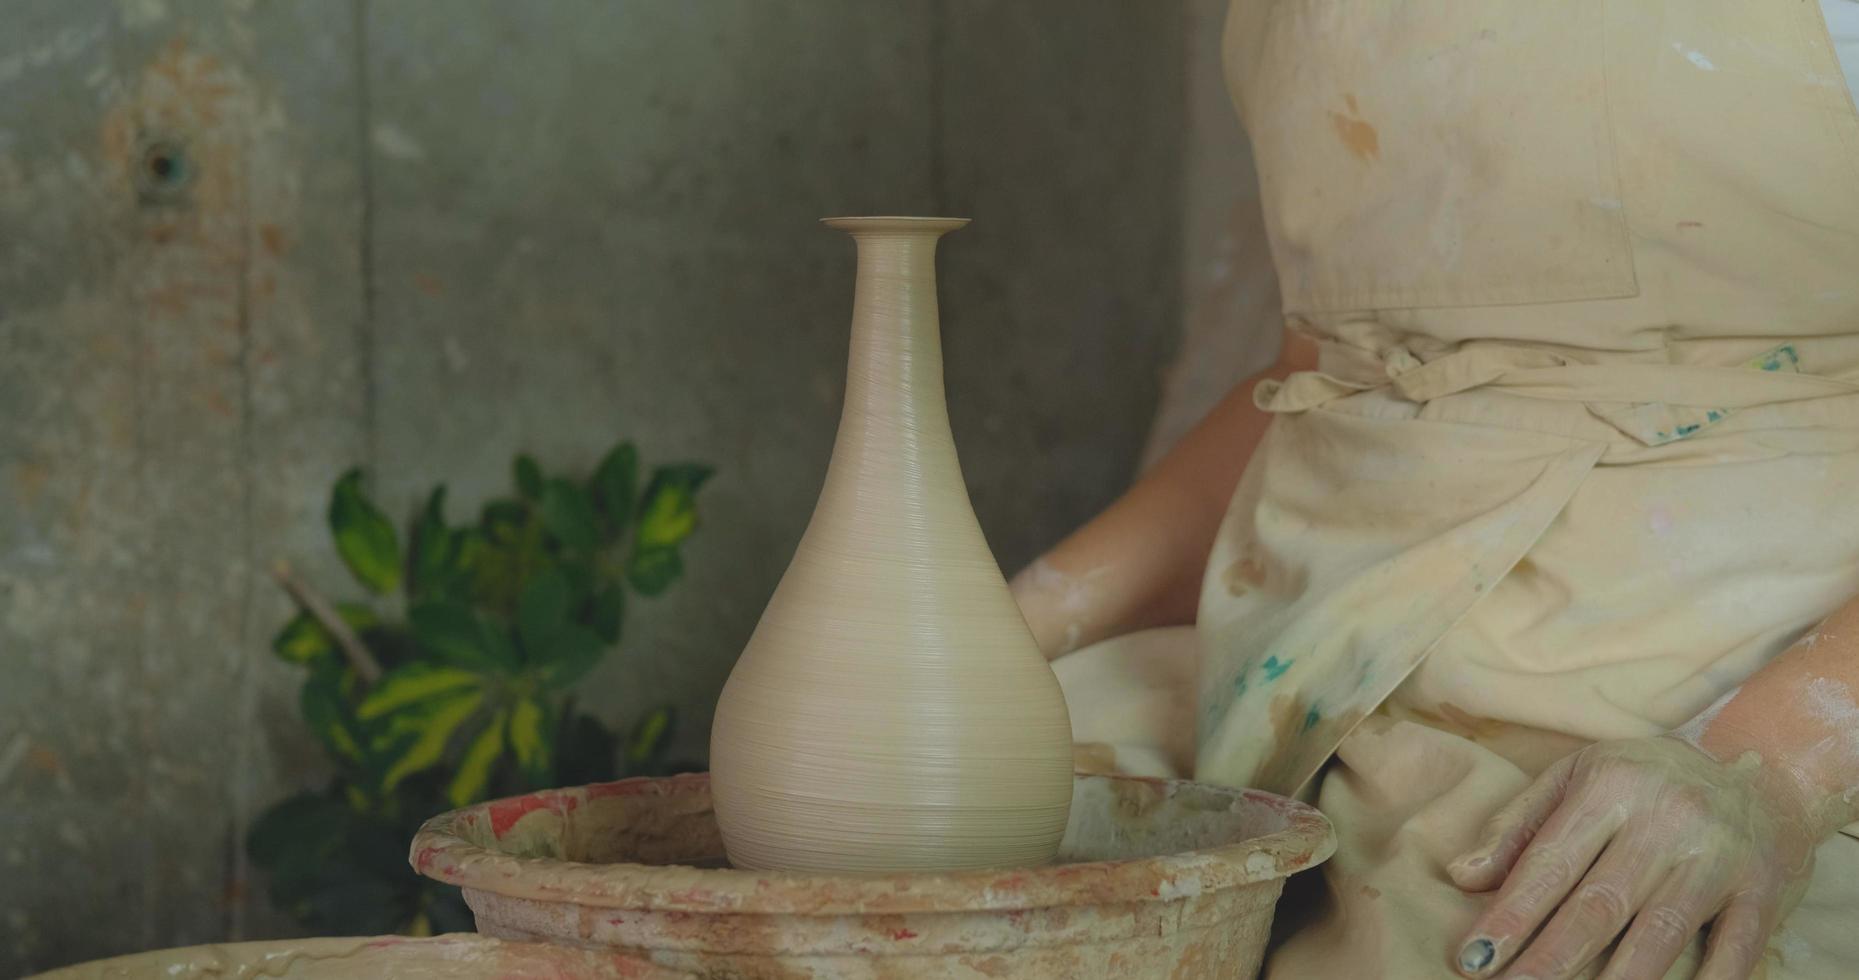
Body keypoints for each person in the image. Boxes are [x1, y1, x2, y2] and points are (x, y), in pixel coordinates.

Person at [1011, 2, 1859, 978]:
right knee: (909, 848)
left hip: (1707, 692)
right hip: (1302, 655)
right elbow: (1338, 377)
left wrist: (1772, 768)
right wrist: (1001, 629)